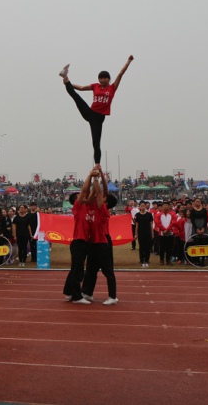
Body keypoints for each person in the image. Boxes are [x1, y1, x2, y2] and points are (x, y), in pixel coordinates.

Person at [59, 56, 133, 166]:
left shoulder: (112, 88)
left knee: (96, 142)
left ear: (109, 79)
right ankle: (65, 77)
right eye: (100, 78)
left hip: (98, 118)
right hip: (89, 112)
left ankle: (97, 165)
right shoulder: (95, 86)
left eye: (105, 78)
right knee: (76, 96)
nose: (102, 80)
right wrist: (68, 84)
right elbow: (81, 88)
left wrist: (128, 62)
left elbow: (120, 74)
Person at [81, 168, 118, 306]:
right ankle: (87, 293)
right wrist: (100, 173)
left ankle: (113, 296)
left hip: (103, 242)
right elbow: (102, 191)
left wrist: (95, 178)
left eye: (102, 198)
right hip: (93, 242)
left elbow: (100, 192)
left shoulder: (103, 210)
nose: (100, 196)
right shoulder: (96, 207)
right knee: (91, 269)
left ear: (106, 203)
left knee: (108, 271)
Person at [63, 168, 99, 305]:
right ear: (76, 200)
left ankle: (69, 292)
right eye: (81, 196)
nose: (85, 196)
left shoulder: (87, 207)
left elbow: (92, 192)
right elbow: (85, 190)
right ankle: (77, 297)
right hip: (79, 242)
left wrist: (96, 177)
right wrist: (89, 174)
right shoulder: (78, 208)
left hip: (84, 242)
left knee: (75, 269)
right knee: (78, 271)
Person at [133, 201, 154, 267]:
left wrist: (152, 233)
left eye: (143, 206)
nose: (142, 207)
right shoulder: (137, 215)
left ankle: (147, 259)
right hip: (140, 233)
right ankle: (141, 259)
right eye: (141, 206)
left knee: (147, 247)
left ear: (145, 206)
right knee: (141, 247)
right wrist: (135, 234)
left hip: (148, 233)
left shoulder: (149, 215)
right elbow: (136, 226)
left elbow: (151, 225)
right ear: (139, 207)